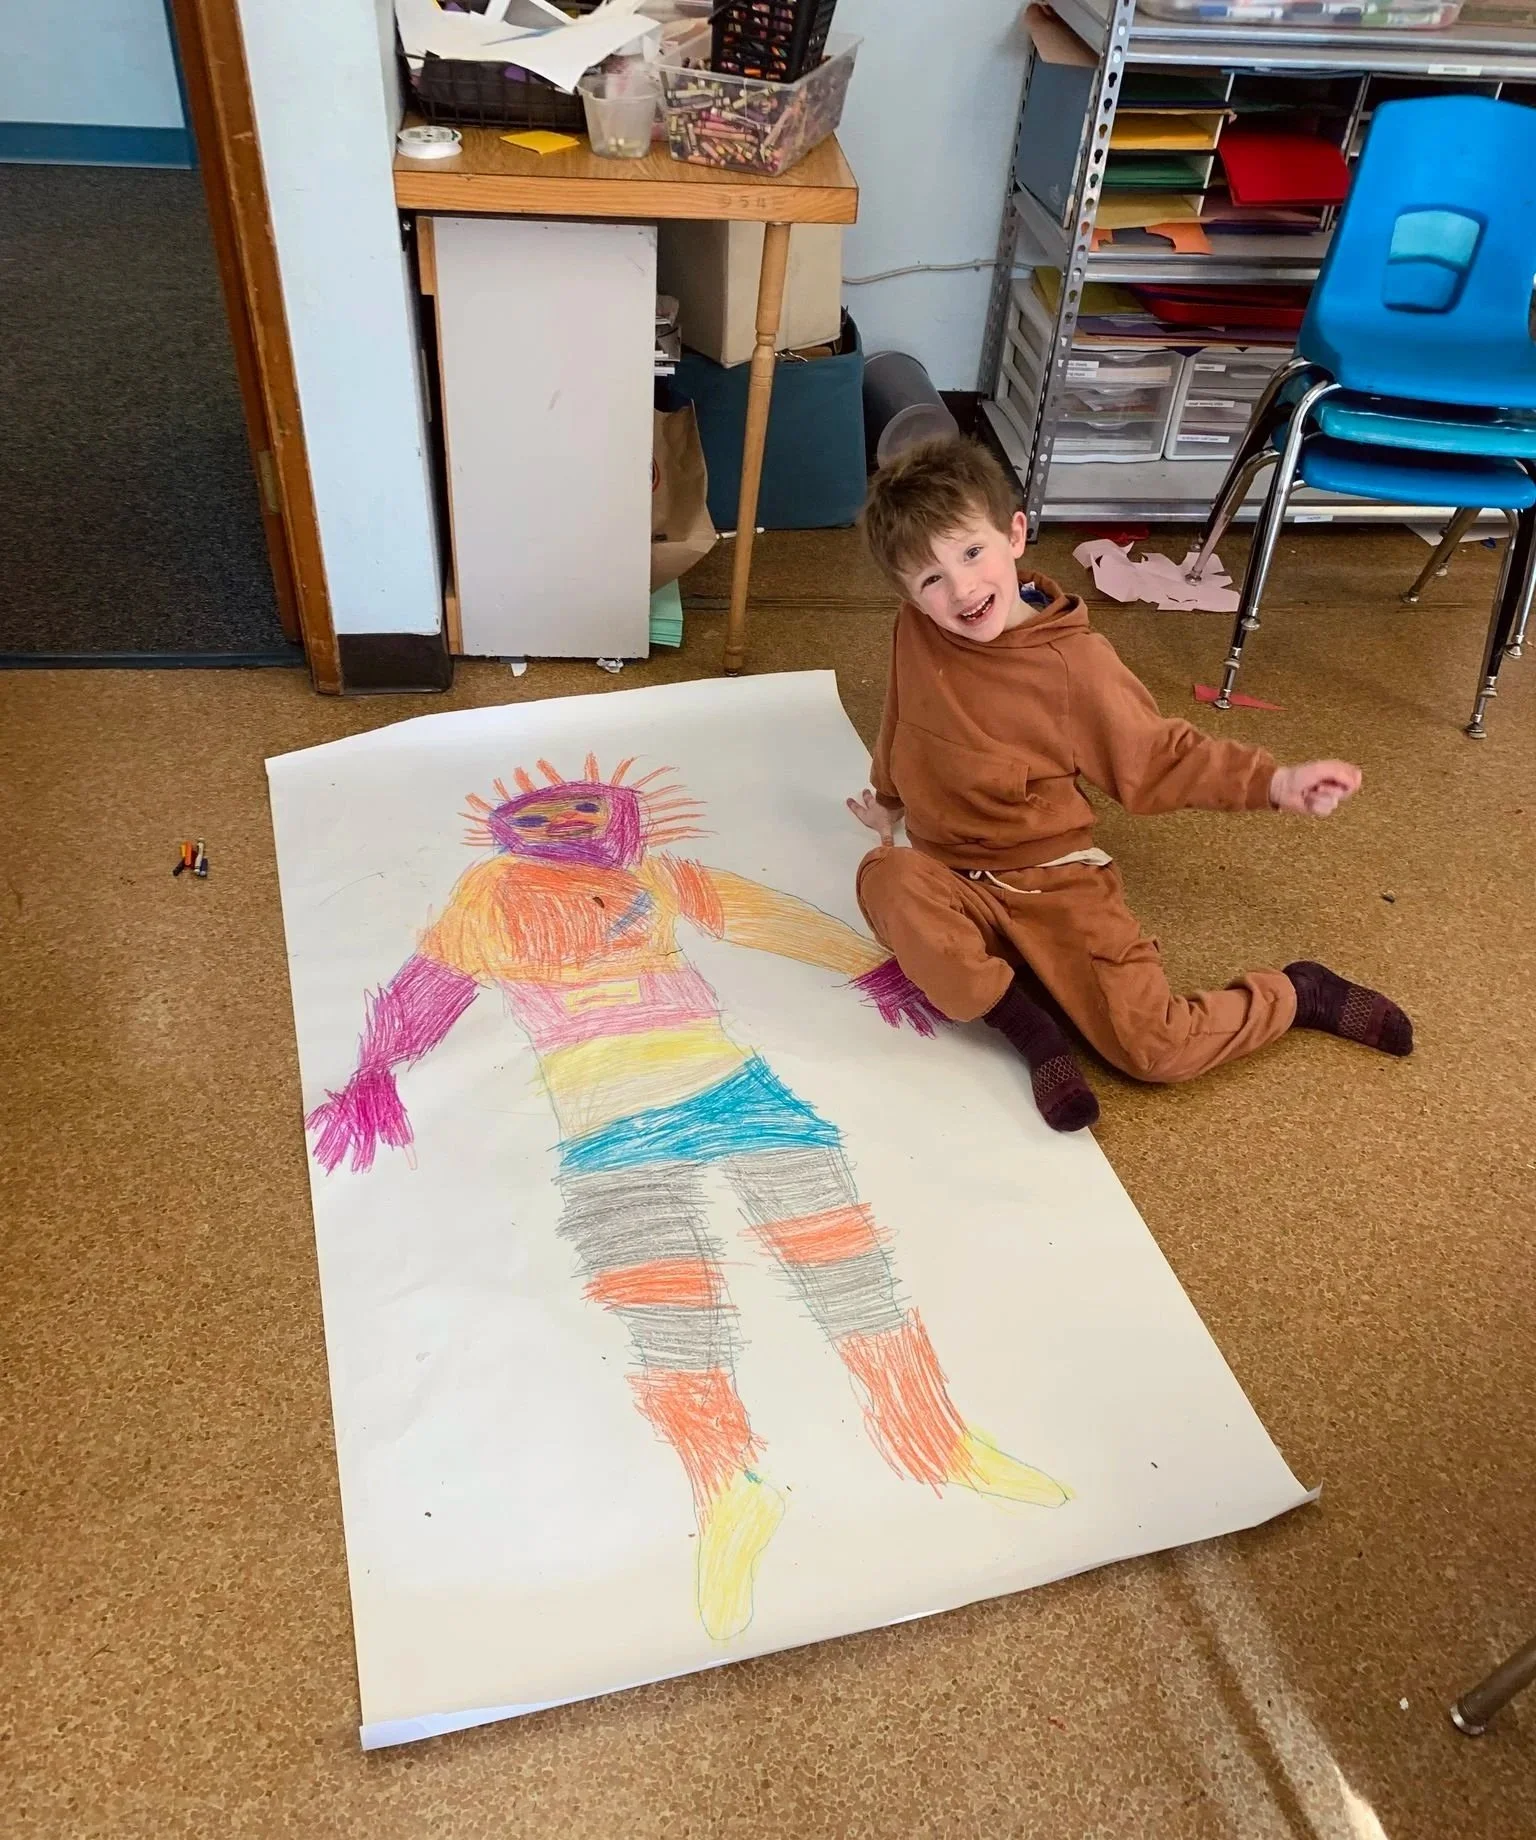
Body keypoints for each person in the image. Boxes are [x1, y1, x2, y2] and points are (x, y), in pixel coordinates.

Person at [307, 755, 1068, 1644]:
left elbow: (761, 913)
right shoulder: (488, 895)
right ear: (508, 836)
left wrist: (872, 966)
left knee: (848, 1266)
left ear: (617, 812)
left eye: (580, 810)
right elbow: (428, 986)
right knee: (671, 1318)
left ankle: (935, 1438)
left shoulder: (654, 877)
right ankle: (728, 1491)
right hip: (609, 1124)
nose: (563, 830)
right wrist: (373, 1071)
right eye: (539, 821)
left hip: (731, 1090)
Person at [848, 437, 1413, 1135]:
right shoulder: (916, 628)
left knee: (1154, 1052)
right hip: (953, 879)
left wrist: (1274, 782)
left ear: (1015, 534)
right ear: (907, 594)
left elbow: (1161, 756)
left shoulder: (1075, 665)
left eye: (971, 553)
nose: (961, 589)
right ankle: (1032, 1033)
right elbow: (903, 715)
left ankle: (1299, 994)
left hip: (1052, 884)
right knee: (886, 878)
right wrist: (889, 800)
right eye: (931, 578)